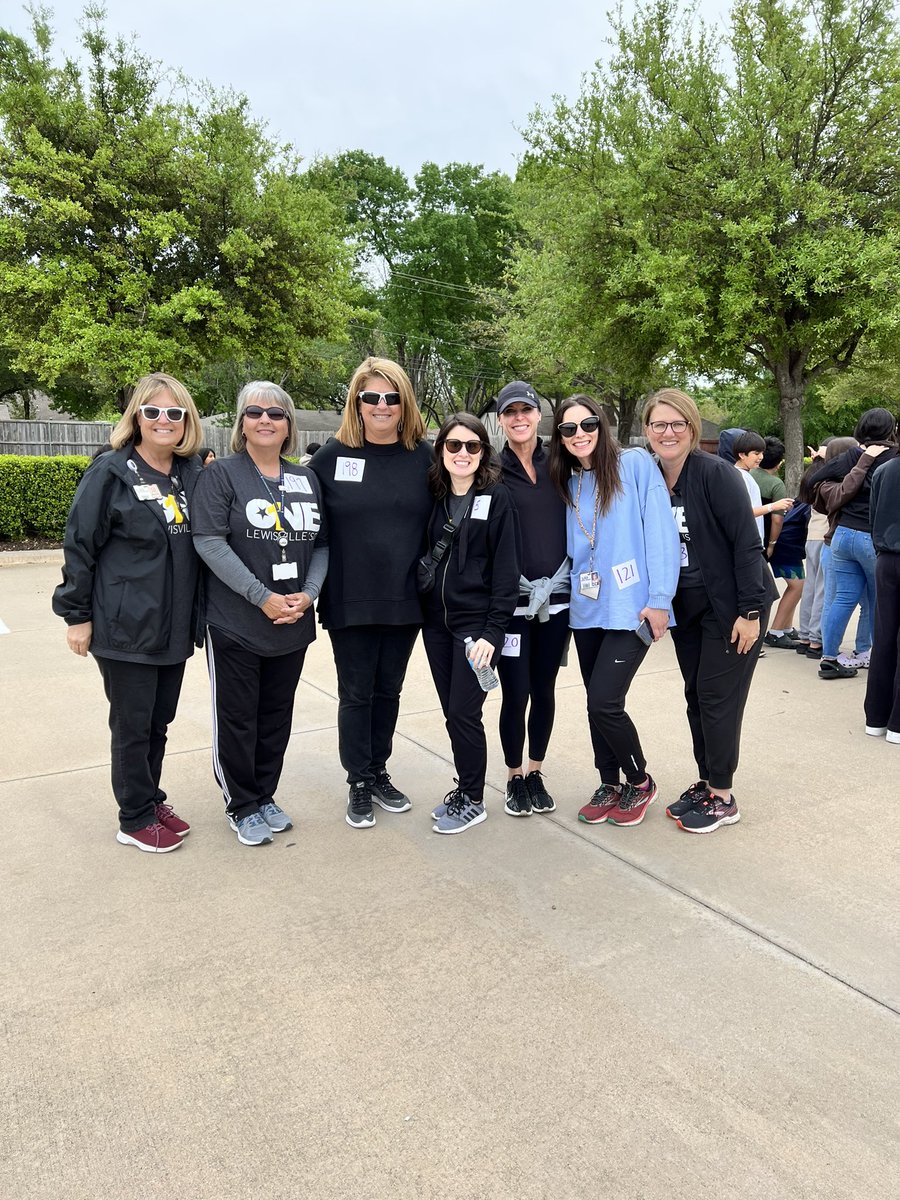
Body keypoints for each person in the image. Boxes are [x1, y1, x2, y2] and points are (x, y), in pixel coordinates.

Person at [52, 372, 205, 853]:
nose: (164, 420)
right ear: (136, 416)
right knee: (133, 725)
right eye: (153, 411)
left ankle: (150, 796)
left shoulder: (189, 473)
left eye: (174, 413)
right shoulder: (110, 472)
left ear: (186, 422)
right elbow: (79, 546)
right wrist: (76, 616)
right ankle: (133, 817)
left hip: (173, 627)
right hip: (125, 627)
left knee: (158, 722)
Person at [192, 382, 328, 846]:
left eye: (276, 413)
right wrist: (259, 595)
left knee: (276, 716)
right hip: (237, 622)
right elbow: (208, 541)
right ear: (241, 423)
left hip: (292, 622)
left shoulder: (305, 479)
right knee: (238, 718)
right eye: (254, 412)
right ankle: (242, 803)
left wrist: (308, 593)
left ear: (289, 424)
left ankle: (265, 794)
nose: (265, 420)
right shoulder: (223, 475)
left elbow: (322, 544)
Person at [643, 388, 778, 834]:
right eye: (659, 424)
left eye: (677, 424)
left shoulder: (715, 474)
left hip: (734, 606)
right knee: (696, 697)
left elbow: (746, 544)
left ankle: (723, 796)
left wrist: (751, 613)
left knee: (719, 700)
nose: (668, 432)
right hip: (689, 608)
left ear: (692, 428)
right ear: (647, 430)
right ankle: (706, 780)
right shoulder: (649, 477)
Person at [308, 358, 432, 829]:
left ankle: (379, 770)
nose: (382, 406)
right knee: (357, 693)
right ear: (356, 404)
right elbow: (307, 531)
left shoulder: (424, 457)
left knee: (390, 691)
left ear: (404, 404)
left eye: (391, 397)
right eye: (371, 397)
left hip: (406, 599)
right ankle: (358, 780)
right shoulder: (329, 459)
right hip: (350, 598)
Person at [549, 395, 680, 829]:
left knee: (605, 701)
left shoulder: (637, 465)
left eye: (587, 424)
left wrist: (661, 600)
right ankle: (609, 782)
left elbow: (661, 533)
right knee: (594, 702)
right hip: (587, 609)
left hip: (633, 610)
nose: (579, 434)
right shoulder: (568, 484)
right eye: (568, 429)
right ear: (561, 438)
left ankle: (639, 781)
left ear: (602, 425)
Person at [421, 413, 520, 833]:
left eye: (472, 446)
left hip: (475, 631)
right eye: (453, 445)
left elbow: (505, 573)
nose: (462, 454)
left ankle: (475, 799)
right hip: (435, 625)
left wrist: (492, 633)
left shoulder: (498, 499)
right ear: (442, 449)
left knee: (465, 713)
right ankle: (464, 788)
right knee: (451, 713)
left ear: (484, 452)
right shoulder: (435, 495)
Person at [495, 380, 570, 817]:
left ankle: (536, 770)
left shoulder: (560, 462)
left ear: (538, 415)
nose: (519, 418)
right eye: (511, 412)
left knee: (544, 689)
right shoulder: (490, 468)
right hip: (512, 605)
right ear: (502, 420)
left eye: (526, 410)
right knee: (515, 692)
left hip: (556, 603)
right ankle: (513, 777)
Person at [809, 408, 898, 679]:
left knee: (842, 599)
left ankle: (829, 657)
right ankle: (866, 653)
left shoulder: (854, 455)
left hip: (842, 535)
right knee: (876, 601)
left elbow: (814, 479)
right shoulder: (893, 456)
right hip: (873, 538)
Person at [752, 437, 804, 648]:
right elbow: (777, 519)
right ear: (780, 462)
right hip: (770, 542)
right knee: (797, 585)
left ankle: (786, 627)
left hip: (750, 539)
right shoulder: (776, 484)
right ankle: (775, 631)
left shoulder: (748, 476)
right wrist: (772, 543)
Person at [864, 453, 900, 743]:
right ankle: (898, 724)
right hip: (886, 553)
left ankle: (876, 717)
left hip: (886, 558)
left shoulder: (884, 471)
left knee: (884, 637)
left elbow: (873, 516)